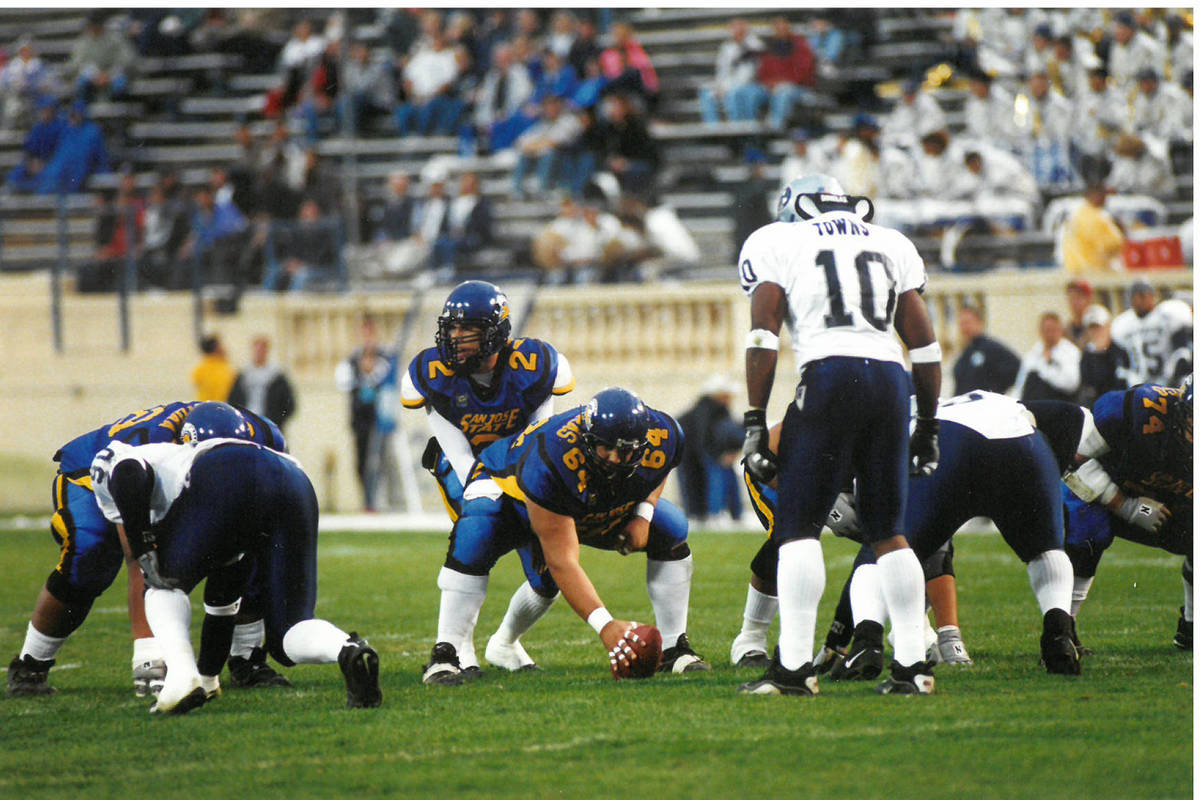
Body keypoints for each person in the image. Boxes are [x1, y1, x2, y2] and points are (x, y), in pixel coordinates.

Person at [737, 173, 943, 696]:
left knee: (798, 529)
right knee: (888, 530)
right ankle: (913, 668)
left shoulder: (778, 240)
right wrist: (930, 423)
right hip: (891, 382)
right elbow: (925, 346)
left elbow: (764, 334)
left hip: (830, 375)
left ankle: (793, 670)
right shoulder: (890, 242)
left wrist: (756, 420)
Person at [733, 392, 1086, 677]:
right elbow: (761, 458)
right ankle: (751, 639)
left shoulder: (892, 418)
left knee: (900, 544)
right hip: (784, 477)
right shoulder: (820, 410)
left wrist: (835, 640)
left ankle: (923, 637)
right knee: (790, 545)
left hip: (931, 454)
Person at [421, 387, 709, 685]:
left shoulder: (666, 434)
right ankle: (447, 653)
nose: (612, 458)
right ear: (587, 438)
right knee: (477, 534)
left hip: (588, 497)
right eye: (604, 447)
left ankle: (674, 649)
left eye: (624, 450)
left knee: (670, 526)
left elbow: (657, 469)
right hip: (509, 491)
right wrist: (606, 626)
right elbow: (563, 562)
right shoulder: (550, 459)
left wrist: (643, 515)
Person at [6, 401, 289, 698]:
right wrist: (149, 657)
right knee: (93, 553)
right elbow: (138, 557)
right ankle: (30, 664)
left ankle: (248, 658)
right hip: (92, 475)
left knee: (256, 541)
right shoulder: (148, 450)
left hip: (163, 474)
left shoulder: (267, 437)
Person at [84, 435, 381, 713]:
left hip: (223, 476)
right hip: (294, 482)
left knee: (161, 586)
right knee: (289, 632)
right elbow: (221, 605)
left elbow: (125, 470)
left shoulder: (127, 462)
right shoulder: (195, 489)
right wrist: (210, 679)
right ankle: (347, 649)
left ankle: (181, 675)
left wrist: (144, 547)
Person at [400, 281, 574, 675]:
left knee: (549, 575)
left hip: (521, 468)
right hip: (463, 470)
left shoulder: (534, 365)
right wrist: (482, 483)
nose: (455, 337)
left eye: (468, 328)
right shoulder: (432, 373)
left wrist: (521, 483)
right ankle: (458, 649)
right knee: (474, 544)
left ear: (495, 330)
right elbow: (457, 450)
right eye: (452, 327)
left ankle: (505, 643)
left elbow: (537, 437)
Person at [1062, 379, 1192, 651]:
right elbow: (1072, 463)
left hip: (1162, 504)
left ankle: (1191, 626)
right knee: (1090, 528)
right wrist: (1128, 507)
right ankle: (1061, 631)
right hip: (1102, 492)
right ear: (1181, 413)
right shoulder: (1137, 411)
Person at [334, 316, 395, 511]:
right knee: (361, 461)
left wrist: (371, 372)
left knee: (379, 460)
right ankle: (367, 501)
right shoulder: (352, 360)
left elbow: (386, 379)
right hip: (360, 419)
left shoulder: (385, 358)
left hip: (379, 418)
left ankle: (380, 500)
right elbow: (344, 383)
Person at [676, 376, 742, 525]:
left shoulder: (709, 409)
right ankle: (707, 515)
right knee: (700, 483)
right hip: (693, 453)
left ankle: (701, 514)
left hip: (694, 452)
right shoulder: (709, 410)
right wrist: (718, 454)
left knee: (695, 484)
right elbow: (704, 436)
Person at [1111, 280, 1194, 386]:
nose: (1138, 301)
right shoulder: (1123, 324)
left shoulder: (1168, 315)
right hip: (1139, 383)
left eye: (1142, 296)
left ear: (1152, 296)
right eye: (1134, 297)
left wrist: (1175, 374)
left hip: (1169, 379)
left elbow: (1181, 351)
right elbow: (1122, 361)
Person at [698, 18, 765, 124]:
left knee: (734, 93)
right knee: (706, 93)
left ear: (746, 29)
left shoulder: (754, 46)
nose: (736, 31)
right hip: (727, 85)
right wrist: (719, 86)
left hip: (750, 86)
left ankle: (737, 127)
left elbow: (748, 74)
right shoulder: (726, 47)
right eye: (733, 28)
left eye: (739, 27)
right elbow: (721, 70)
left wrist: (726, 87)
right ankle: (712, 128)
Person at [228, 336, 297, 429]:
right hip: (247, 421)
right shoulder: (244, 374)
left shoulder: (277, 375)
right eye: (256, 350)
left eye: (261, 350)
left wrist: (278, 419)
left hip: (269, 423)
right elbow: (233, 398)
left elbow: (288, 403)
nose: (259, 353)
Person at [952, 305, 1021, 394]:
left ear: (980, 323)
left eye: (967, 322)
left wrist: (995, 391)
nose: (964, 328)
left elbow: (1016, 368)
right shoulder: (965, 352)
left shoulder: (991, 348)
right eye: (961, 324)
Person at [1015, 311, 1081, 403]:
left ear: (1061, 330)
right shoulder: (1034, 353)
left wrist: (1046, 367)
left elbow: (1071, 384)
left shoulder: (1070, 352)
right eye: (1046, 330)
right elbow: (1021, 383)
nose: (1050, 334)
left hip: (1060, 401)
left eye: (1053, 330)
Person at [1060, 183, 1125, 275]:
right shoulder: (1098, 217)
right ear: (1096, 195)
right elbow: (1114, 244)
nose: (1105, 199)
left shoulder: (1074, 215)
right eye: (1103, 195)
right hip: (1094, 272)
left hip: (1072, 270)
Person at [1078, 304, 1135, 406]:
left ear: (1108, 326)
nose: (1096, 333)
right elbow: (1088, 387)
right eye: (1092, 328)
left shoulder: (1120, 352)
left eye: (1099, 328)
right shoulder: (1087, 355)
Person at [191, 334, 236, 402]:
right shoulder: (222, 369)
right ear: (217, 349)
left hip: (204, 405)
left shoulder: (200, 368)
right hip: (219, 407)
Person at [1065, 278, 1094, 347]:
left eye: (1079, 297)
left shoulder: (1097, 327)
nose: (1075, 302)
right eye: (1072, 298)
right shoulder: (1065, 331)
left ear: (1089, 299)